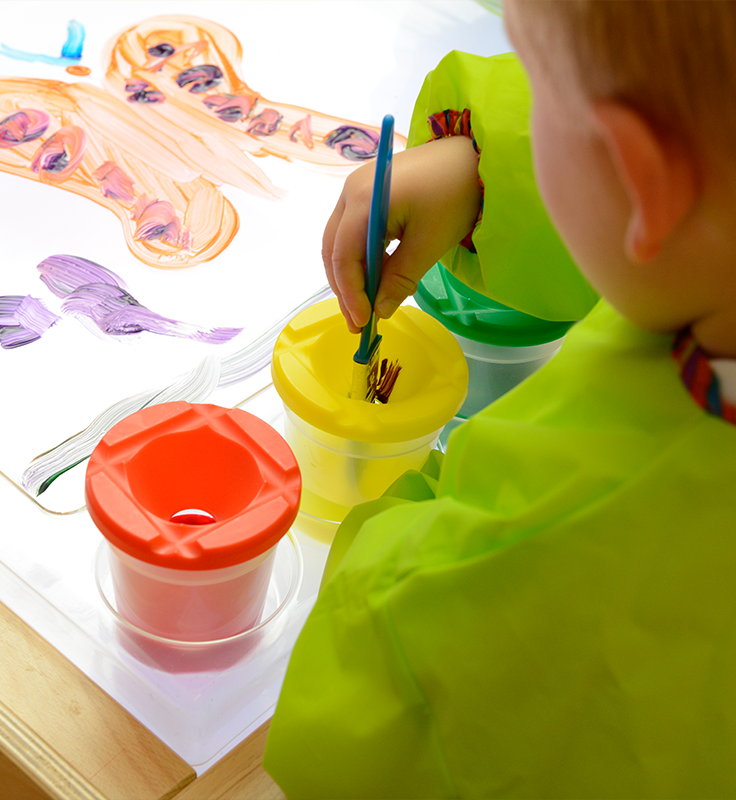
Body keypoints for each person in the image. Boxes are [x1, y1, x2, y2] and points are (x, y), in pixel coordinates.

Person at [263, 1, 736, 797]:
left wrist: (391, 530)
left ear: (640, 171)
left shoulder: (573, 533)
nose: (532, 94)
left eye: (539, 86)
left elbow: (388, 682)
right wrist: (491, 170)